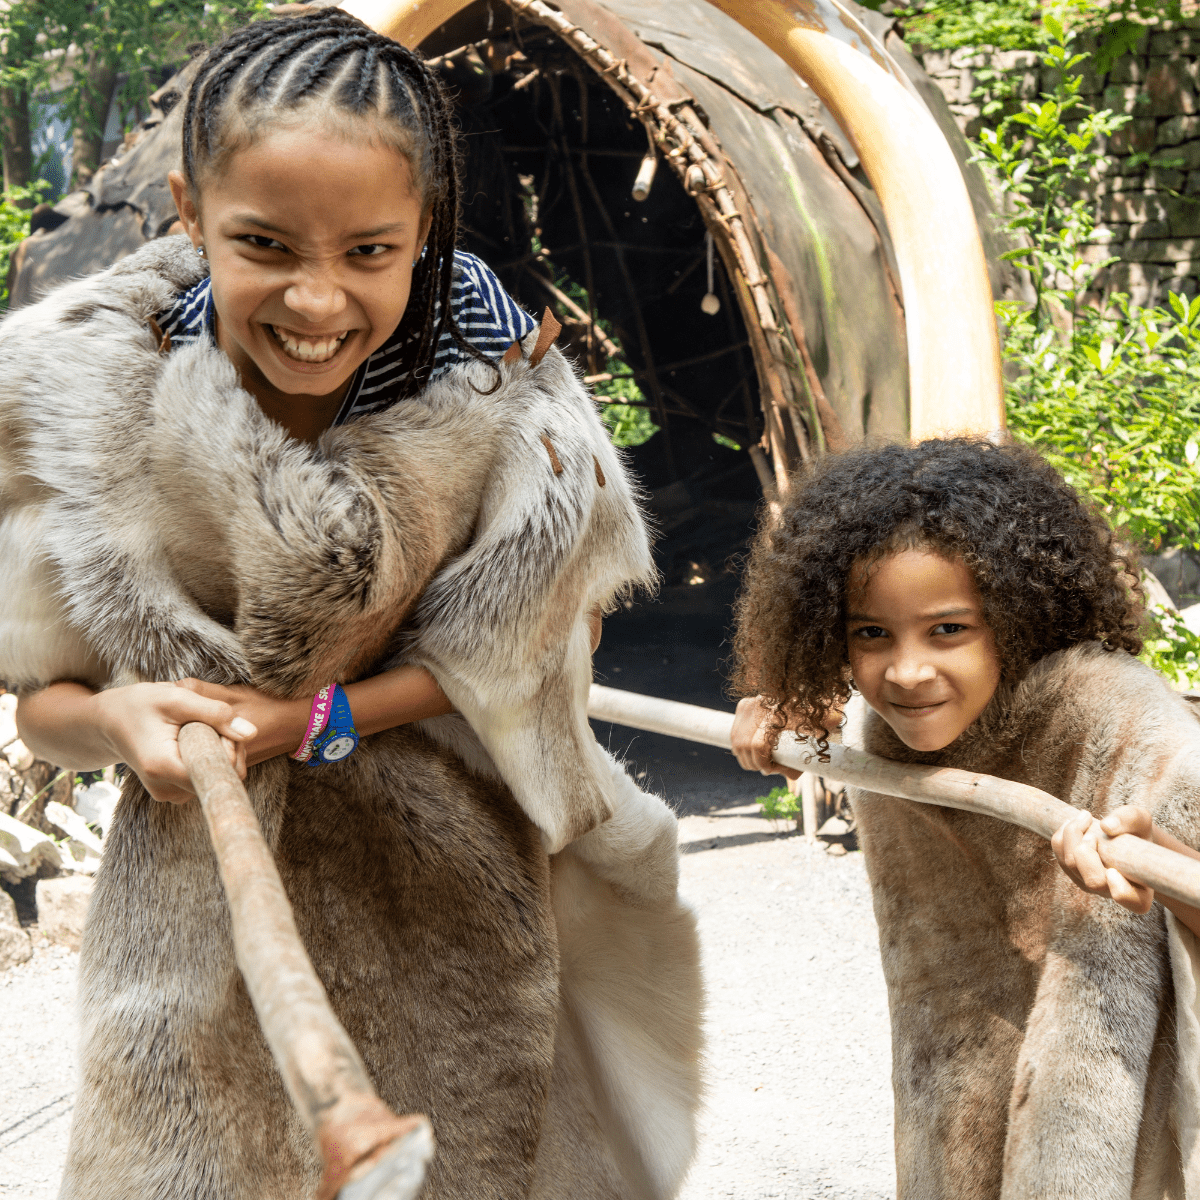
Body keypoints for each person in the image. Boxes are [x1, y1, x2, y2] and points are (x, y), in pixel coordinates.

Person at [1, 11, 700, 1198]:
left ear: (424, 230)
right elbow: (43, 707)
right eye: (263, 243)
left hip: (452, 896)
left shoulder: (489, 364)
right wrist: (118, 726)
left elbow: (530, 648)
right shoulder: (84, 390)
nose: (317, 301)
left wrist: (307, 721)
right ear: (188, 213)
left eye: (370, 251)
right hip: (188, 906)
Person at [730, 436, 1200, 1198]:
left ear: (1017, 620)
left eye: (948, 629)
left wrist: (1157, 865)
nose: (907, 671)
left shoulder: (1129, 730)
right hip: (950, 1142)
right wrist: (791, 726)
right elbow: (847, 712)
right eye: (870, 634)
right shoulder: (882, 743)